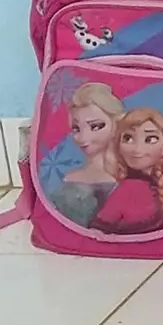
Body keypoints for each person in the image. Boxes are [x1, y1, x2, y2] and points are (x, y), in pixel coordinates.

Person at [91, 109, 163, 235]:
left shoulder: (153, 185)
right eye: (128, 138)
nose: (137, 149)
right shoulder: (128, 189)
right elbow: (97, 231)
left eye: (150, 139)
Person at [53, 82, 125, 228]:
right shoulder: (71, 177)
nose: (82, 137)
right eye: (76, 129)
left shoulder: (128, 177)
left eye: (95, 126)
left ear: (116, 125)